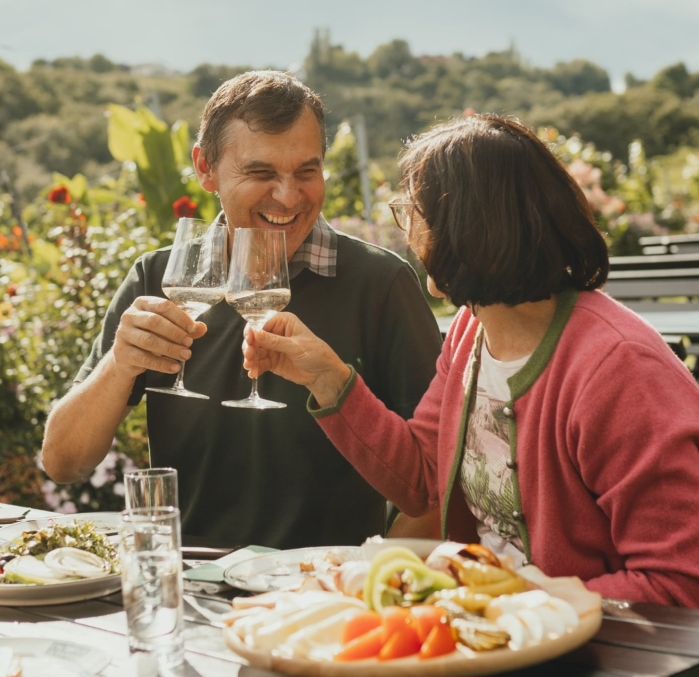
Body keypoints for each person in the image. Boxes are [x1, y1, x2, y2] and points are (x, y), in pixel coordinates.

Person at [242, 113, 699, 609]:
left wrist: (508, 596)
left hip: (583, 648)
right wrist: (329, 379)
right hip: (486, 629)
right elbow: (425, 479)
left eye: (413, 212)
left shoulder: (621, 370)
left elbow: (681, 589)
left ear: (470, 227)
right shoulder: (473, 332)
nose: (406, 231)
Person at [41, 71, 442, 549]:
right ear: (205, 168)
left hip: (311, 601)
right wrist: (118, 366)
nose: (289, 196)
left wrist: (364, 577)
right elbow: (63, 463)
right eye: (261, 173)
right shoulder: (157, 278)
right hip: (186, 589)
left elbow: (441, 481)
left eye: (307, 171)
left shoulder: (381, 285)